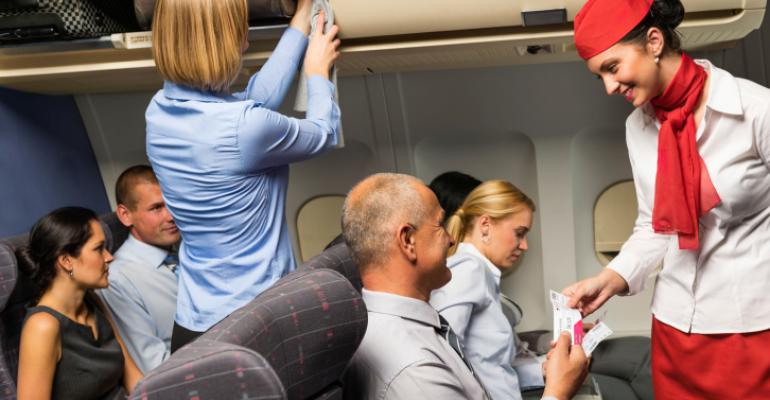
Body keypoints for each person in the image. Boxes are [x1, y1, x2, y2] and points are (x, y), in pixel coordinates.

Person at [566, 0, 770, 398]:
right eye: (599, 78)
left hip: (751, 327)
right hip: (674, 325)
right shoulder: (638, 127)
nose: (610, 87)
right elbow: (653, 225)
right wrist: (610, 279)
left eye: (612, 68)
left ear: (655, 42)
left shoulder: (756, 110)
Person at [145, 0, 341, 349]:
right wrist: (316, 73)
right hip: (251, 324)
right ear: (217, 44)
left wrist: (300, 20)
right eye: (240, 33)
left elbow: (253, 103)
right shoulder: (244, 129)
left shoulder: (159, 110)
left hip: (193, 325)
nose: (247, 42)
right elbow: (322, 133)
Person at [341, 173, 586, 400]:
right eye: (439, 225)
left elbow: (481, 367)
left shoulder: (423, 328)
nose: (450, 239)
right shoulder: (416, 370)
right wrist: (557, 392)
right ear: (407, 240)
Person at [16, 207, 143, 399]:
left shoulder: (92, 301)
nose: (110, 257)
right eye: (98, 248)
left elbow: (135, 381)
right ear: (67, 261)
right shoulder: (42, 326)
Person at [430, 180, 536, 400]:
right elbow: (444, 355)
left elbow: (488, 367)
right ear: (485, 225)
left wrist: (544, 372)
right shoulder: (468, 269)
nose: (524, 245)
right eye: (519, 233)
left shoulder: (482, 274)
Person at [98, 165, 180, 373]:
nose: (171, 216)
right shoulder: (116, 280)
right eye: (156, 208)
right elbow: (154, 367)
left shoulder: (188, 253)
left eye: (173, 203)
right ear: (126, 215)